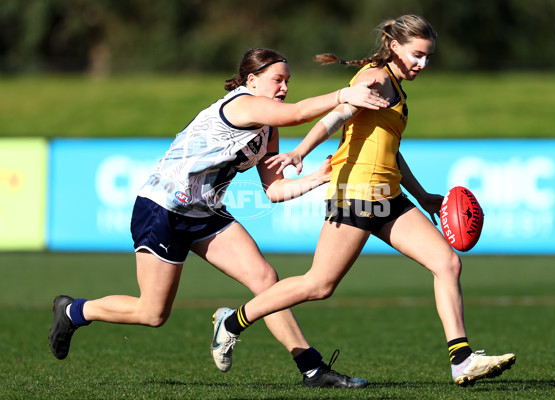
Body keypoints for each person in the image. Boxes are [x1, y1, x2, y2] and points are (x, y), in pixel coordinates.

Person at [49, 47, 390, 388]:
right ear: (252, 80)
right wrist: (345, 94)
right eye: (277, 80)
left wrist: (318, 178)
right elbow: (299, 113)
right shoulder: (242, 104)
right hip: (163, 209)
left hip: (205, 212)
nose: (284, 88)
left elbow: (273, 190)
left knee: (265, 279)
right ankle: (74, 312)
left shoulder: (268, 128)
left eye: (288, 81)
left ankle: (312, 369)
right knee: (152, 314)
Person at [212, 16, 516, 387]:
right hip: (356, 192)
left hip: (389, 194)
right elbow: (338, 115)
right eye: (417, 55)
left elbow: (392, 151)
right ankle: (232, 321)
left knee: (446, 263)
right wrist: (300, 151)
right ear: (395, 48)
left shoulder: (397, 89)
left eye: (428, 57)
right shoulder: (375, 78)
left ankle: (461, 360)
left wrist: (424, 198)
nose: (422, 63)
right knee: (319, 285)